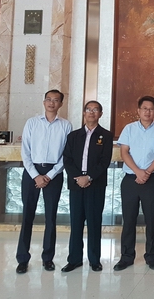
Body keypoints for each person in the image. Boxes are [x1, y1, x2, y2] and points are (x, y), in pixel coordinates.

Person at [15, 89, 72, 274]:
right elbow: (25, 152)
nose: (51, 103)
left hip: (54, 173)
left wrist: (49, 175)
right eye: (48, 99)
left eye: (55, 100)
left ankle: (48, 258)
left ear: (61, 104)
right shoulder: (32, 123)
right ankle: (22, 259)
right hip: (32, 172)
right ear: (43, 102)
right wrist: (36, 175)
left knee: (51, 217)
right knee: (27, 215)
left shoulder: (66, 125)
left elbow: (67, 154)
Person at [114, 96, 154, 271]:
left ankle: (151, 256)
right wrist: (138, 172)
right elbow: (124, 152)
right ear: (138, 110)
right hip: (131, 179)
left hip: (151, 180)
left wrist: (147, 173)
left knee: (151, 220)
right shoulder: (129, 129)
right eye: (144, 108)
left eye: (151, 109)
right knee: (129, 220)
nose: (147, 112)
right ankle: (126, 257)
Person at [61, 101, 114, 273]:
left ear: (101, 114)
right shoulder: (73, 136)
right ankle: (74, 259)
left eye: (95, 110)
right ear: (84, 113)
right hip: (76, 184)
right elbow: (67, 159)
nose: (91, 112)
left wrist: (89, 177)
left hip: (95, 184)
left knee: (94, 222)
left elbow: (104, 161)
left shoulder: (106, 135)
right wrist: (78, 177)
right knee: (76, 222)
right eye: (88, 109)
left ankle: (94, 260)